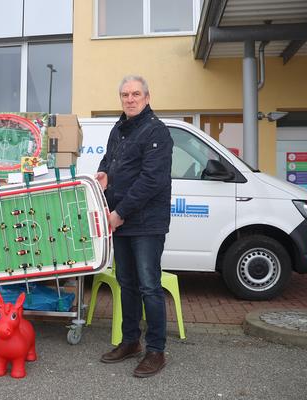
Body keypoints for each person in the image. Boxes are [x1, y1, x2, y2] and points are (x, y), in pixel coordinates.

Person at [96, 75, 173, 378]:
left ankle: (156, 350)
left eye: (136, 94)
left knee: (149, 286)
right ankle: (131, 342)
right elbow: (111, 161)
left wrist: (120, 213)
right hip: (123, 220)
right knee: (126, 283)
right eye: (125, 94)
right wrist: (104, 175)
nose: (130, 99)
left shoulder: (157, 131)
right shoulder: (120, 129)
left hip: (146, 223)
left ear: (147, 97)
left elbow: (151, 180)